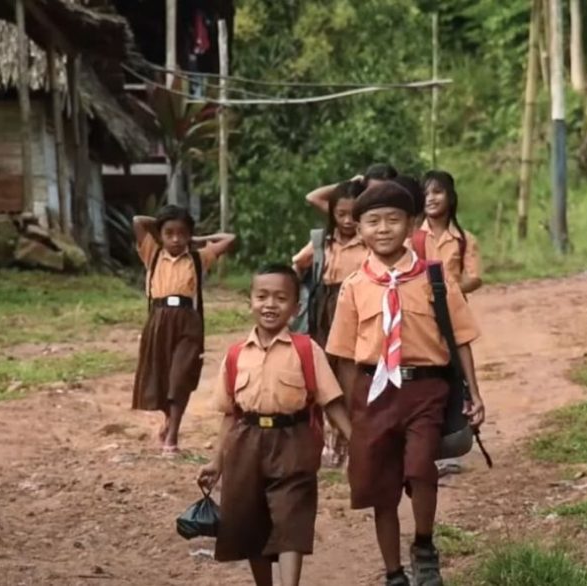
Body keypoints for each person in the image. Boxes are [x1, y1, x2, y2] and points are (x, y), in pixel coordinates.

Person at [326, 182, 485, 586]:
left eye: (394, 220)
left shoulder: (435, 279)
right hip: (373, 392)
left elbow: (461, 339)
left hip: (424, 389)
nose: (383, 229)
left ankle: (425, 546)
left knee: (420, 469)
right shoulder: (353, 288)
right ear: (359, 228)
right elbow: (343, 357)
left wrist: (474, 392)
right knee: (382, 488)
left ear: (411, 224)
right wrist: (349, 413)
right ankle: (394, 572)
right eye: (373, 222)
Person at [198, 264, 352, 586]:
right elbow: (230, 414)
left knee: (292, 516)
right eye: (262, 296)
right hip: (246, 442)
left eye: (280, 298)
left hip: (294, 441)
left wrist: (355, 439)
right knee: (252, 521)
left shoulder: (307, 350)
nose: (270, 304)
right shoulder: (237, 354)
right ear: (250, 302)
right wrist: (217, 461)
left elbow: (331, 400)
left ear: (295, 308)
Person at [132, 206, 235, 457]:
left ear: (189, 235)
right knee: (163, 377)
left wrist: (197, 239)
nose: (176, 239)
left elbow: (230, 239)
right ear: (161, 235)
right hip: (159, 320)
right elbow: (138, 220)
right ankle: (168, 420)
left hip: (188, 322)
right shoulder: (153, 254)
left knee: (180, 377)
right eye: (169, 233)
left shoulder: (199, 258)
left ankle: (173, 436)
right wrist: (157, 229)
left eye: (182, 233)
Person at [292, 179, 366, 466]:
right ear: (332, 213)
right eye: (341, 214)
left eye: (353, 214)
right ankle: (330, 440)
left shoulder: (369, 240)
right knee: (323, 376)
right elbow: (298, 264)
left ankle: (348, 439)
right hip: (325, 313)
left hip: (357, 311)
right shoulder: (322, 240)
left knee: (353, 378)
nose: (347, 221)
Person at [411, 170, 482, 295]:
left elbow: (475, 278)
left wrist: (449, 291)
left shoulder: (465, 239)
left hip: (454, 309)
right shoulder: (411, 238)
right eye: (425, 194)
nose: (430, 199)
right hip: (420, 308)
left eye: (437, 192)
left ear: (450, 197)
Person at [305, 163, 398, 214]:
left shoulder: (402, 215)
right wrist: (348, 183)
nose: (378, 197)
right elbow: (313, 197)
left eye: (384, 191)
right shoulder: (354, 215)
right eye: (372, 191)